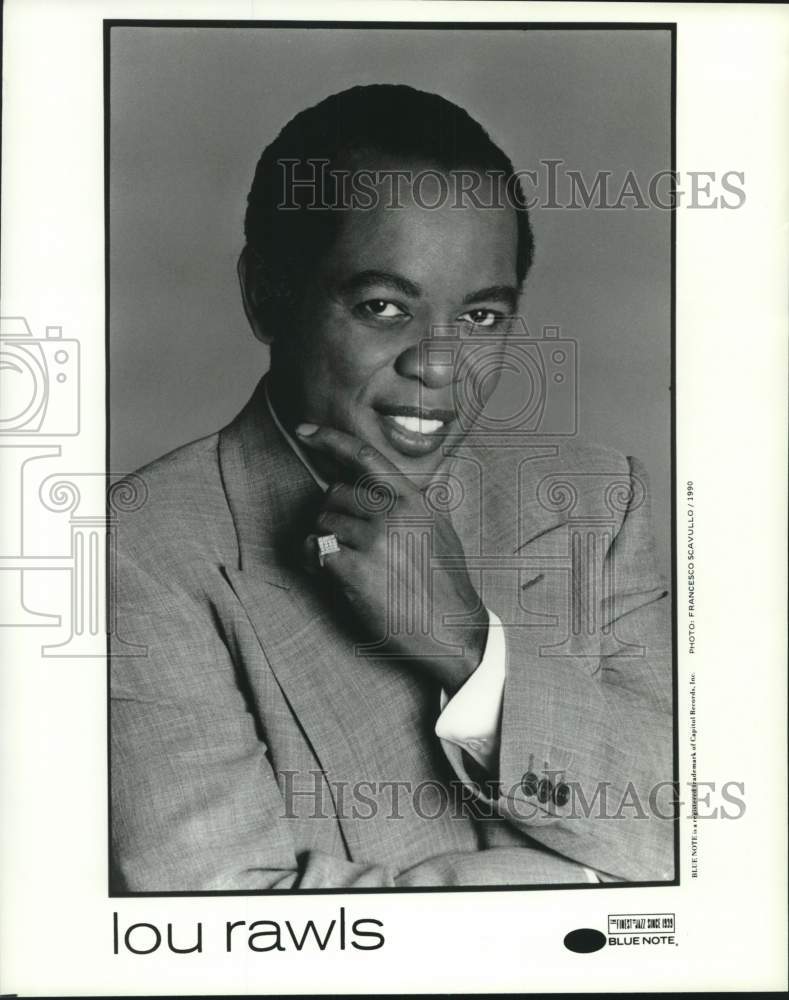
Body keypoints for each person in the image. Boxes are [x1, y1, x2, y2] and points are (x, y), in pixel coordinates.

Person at [110, 84, 674, 891]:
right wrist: (587, 882)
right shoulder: (136, 553)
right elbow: (221, 926)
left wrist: (467, 648)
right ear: (266, 294)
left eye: (481, 317)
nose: (439, 367)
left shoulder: (597, 502)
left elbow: (712, 837)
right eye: (383, 306)